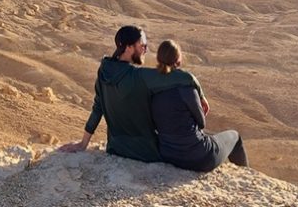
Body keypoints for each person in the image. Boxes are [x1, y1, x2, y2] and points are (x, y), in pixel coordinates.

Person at [59, 25, 208, 162]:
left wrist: (83, 143)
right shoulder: (138, 76)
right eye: (143, 45)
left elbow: (98, 108)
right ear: (129, 47)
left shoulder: (103, 71)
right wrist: (201, 96)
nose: (145, 50)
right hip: (145, 152)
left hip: (116, 148)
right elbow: (185, 77)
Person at [150, 39, 249, 171]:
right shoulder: (186, 88)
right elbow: (201, 123)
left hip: (169, 155)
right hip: (199, 158)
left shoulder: (152, 89)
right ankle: (247, 174)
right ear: (178, 61)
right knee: (235, 137)